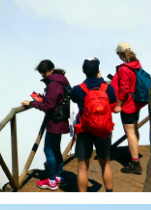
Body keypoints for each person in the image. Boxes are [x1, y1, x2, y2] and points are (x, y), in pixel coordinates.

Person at [71, 57, 118, 192]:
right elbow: (113, 100)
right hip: (104, 130)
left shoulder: (77, 89)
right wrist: (101, 80)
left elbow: (74, 99)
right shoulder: (108, 88)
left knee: (82, 167)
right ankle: (109, 193)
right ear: (98, 70)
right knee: (105, 164)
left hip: (85, 130)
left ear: (83, 71)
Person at [26, 60, 71, 190]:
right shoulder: (62, 80)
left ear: (49, 70)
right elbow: (56, 100)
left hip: (55, 121)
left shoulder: (53, 84)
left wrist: (31, 103)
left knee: (49, 150)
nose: (43, 75)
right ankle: (59, 178)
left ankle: (51, 181)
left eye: (43, 72)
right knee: (56, 149)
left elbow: (49, 107)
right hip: (62, 119)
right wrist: (42, 98)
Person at [112, 43, 147, 175]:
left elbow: (125, 89)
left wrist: (119, 105)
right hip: (137, 102)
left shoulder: (124, 69)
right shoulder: (137, 64)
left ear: (120, 54)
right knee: (134, 128)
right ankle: (133, 153)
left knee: (130, 132)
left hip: (128, 105)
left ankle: (135, 162)